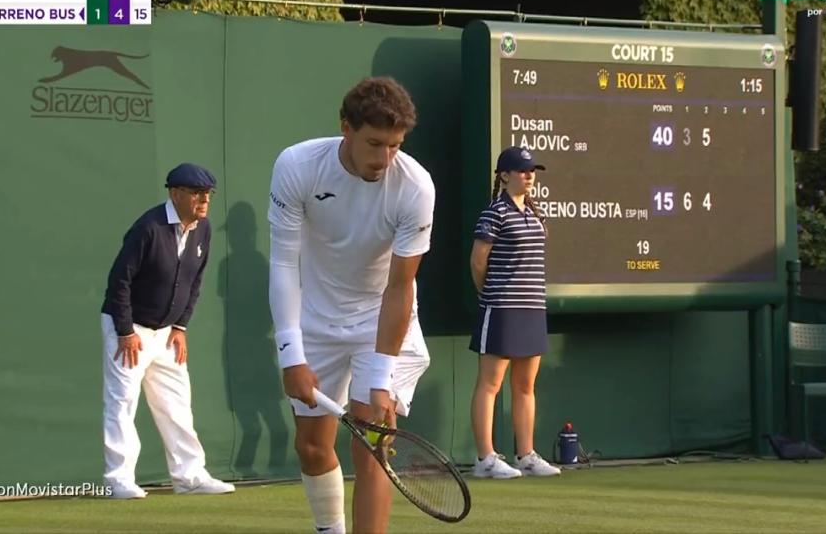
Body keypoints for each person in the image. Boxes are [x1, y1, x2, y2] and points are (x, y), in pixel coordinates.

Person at [268, 76, 435, 534]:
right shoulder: (298, 166)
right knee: (312, 447)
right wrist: (291, 353)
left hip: (380, 323)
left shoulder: (415, 187)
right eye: (374, 143)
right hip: (316, 319)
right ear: (346, 127)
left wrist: (381, 376)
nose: (384, 159)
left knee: (372, 447)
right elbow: (283, 262)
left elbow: (400, 287)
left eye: (395, 145)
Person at [100, 163, 236, 499]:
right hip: (129, 328)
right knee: (122, 402)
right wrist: (124, 331)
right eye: (195, 193)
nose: (204, 200)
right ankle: (118, 479)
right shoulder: (148, 228)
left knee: (177, 404)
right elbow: (119, 281)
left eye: (207, 194)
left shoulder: (202, 229)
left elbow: (195, 281)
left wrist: (180, 326)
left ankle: (189, 477)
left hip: (167, 333)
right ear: (174, 194)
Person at [468, 147, 561, 479]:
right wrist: (490, 295)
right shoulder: (493, 213)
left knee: (525, 385)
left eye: (532, 170)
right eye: (522, 170)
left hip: (533, 307)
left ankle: (526, 455)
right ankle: (485, 459)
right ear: (504, 175)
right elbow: (478, 262)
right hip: (502, 307)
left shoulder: (537, 214)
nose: (529, 175)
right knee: (490, 384)